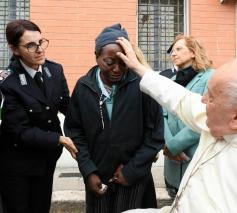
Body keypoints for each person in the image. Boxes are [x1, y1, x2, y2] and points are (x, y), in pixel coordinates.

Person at [116, 37, 237, 213]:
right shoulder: (219, 119)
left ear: (235, 119)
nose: (202, 100)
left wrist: (176, 145)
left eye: (211, 97)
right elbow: (180, 99)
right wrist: (138, 66)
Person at [64, 23, 164, 213]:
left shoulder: (143, 86)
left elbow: (155, 134)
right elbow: (75, 132)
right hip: (98, 176)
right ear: (96, 57)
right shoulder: (84, 87)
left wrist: (131, 170)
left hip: (133, 177)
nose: (117, 69)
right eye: (109, 62)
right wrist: (88, 171)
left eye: (123, 62)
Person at [0, 19, 78, 213]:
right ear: (15, 49)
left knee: (41, 207)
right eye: (31, 45)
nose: (40, 49)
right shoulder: (8, 83)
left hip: (46, 159)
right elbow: (19, 131)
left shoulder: (54, 70)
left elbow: (67, 106)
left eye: (41, 42)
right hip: (18, 164)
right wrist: (60, 139)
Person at [161, 35, 213, 197]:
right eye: (172, 51)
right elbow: (162, 115)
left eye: (178, 49)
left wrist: (175, 145)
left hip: (194, 157)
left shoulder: (209, 77)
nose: (173, 54)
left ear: (192, 52)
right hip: (172, 162)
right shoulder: (172, 79)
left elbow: (207, 116)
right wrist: (168, 144)